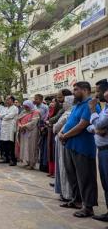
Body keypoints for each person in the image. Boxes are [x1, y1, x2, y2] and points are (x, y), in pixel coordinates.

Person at [59, 81, 98, 218]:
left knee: (85, 177)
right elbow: (70, 121)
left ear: (85, 90)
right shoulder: (77, 105)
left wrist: (65, 135)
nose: (73, 92)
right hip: (70, 145)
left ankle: (88, 207)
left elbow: (82, 125)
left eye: (76, 89)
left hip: (83, 147)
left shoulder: (90, 106)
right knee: (73, 176)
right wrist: (62, 132)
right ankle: (76, 200)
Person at [89, 79, 108, 221]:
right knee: (105, 183)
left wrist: (91, 110)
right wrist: (97, 129)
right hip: (101, 150)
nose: (96, 95)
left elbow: (100, 123)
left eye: (98, 91)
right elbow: (94, 127)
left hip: (107, 150)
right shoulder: (104, 108)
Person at [53, 95, 74, 202]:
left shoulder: (69, 114)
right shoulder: (66, 113)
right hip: (59, 140)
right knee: (60, 166)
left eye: (66, 102)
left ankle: (67, 194)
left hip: (63, 141)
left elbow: (57, 126)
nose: (63, 103)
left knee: (64, 166)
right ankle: (62, 191)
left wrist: (55, 128)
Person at [17, 100, 40, 170]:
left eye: (27, 107)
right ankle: (27, 162)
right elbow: (18, 119)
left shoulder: (35, 112)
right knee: (25, 147)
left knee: (31, 147)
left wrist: (24, 126)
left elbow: (34, 122)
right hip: (24, 131)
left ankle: (32, 164)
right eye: (24, 107)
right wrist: (20, 125)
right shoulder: (23, 112)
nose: (25, 108)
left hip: (32, 132)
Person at [0, 95, 18, 166]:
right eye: (6, 99)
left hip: (10, 127)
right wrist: (5, 115)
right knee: (4, 144)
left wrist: (4, 116)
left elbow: (11, 116)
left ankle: (12, 160)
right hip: (4, 127)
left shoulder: (15, 108)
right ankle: (6, 158)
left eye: (8, 99)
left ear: (12, 101)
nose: (7, 101)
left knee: (11, 144)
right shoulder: (4, 108)